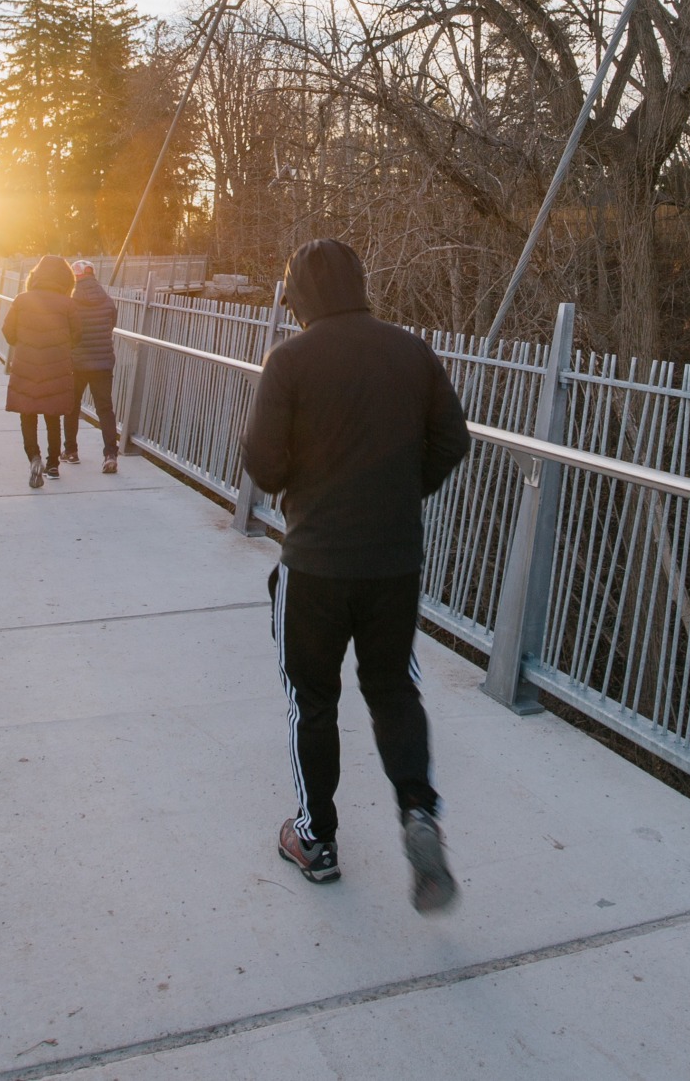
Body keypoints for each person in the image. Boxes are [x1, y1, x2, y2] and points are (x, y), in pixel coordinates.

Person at [241, 238, 470, 913]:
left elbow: (262, 463)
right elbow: (453, 439)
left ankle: (317, 839)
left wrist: (299, 483)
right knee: (393, 688)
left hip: (314, 564)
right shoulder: (411, 351)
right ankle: (419, 812)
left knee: (312, 700)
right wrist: (403, 492)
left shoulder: (289, 361)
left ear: (300, 297)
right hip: (393, 563)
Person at [2, 254, 81, 488]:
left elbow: (8, 331)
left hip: (26, 365)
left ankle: (34, 458)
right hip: (56, 366)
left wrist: (23, 342)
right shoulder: (68, 304)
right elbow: (77, 336)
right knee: (53, 416)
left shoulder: (22, 299)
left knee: (28, 415)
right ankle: (53, 464)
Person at [64, 259, 121, 472]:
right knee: (105, 409)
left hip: (76, 363)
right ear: (93, 274)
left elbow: (67, 329)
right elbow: (111, 324)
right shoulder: (107, 300)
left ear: (75, 276)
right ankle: (110, 455)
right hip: (103, 363)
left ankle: (71, 451)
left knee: (71, 407)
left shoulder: (70, 300)